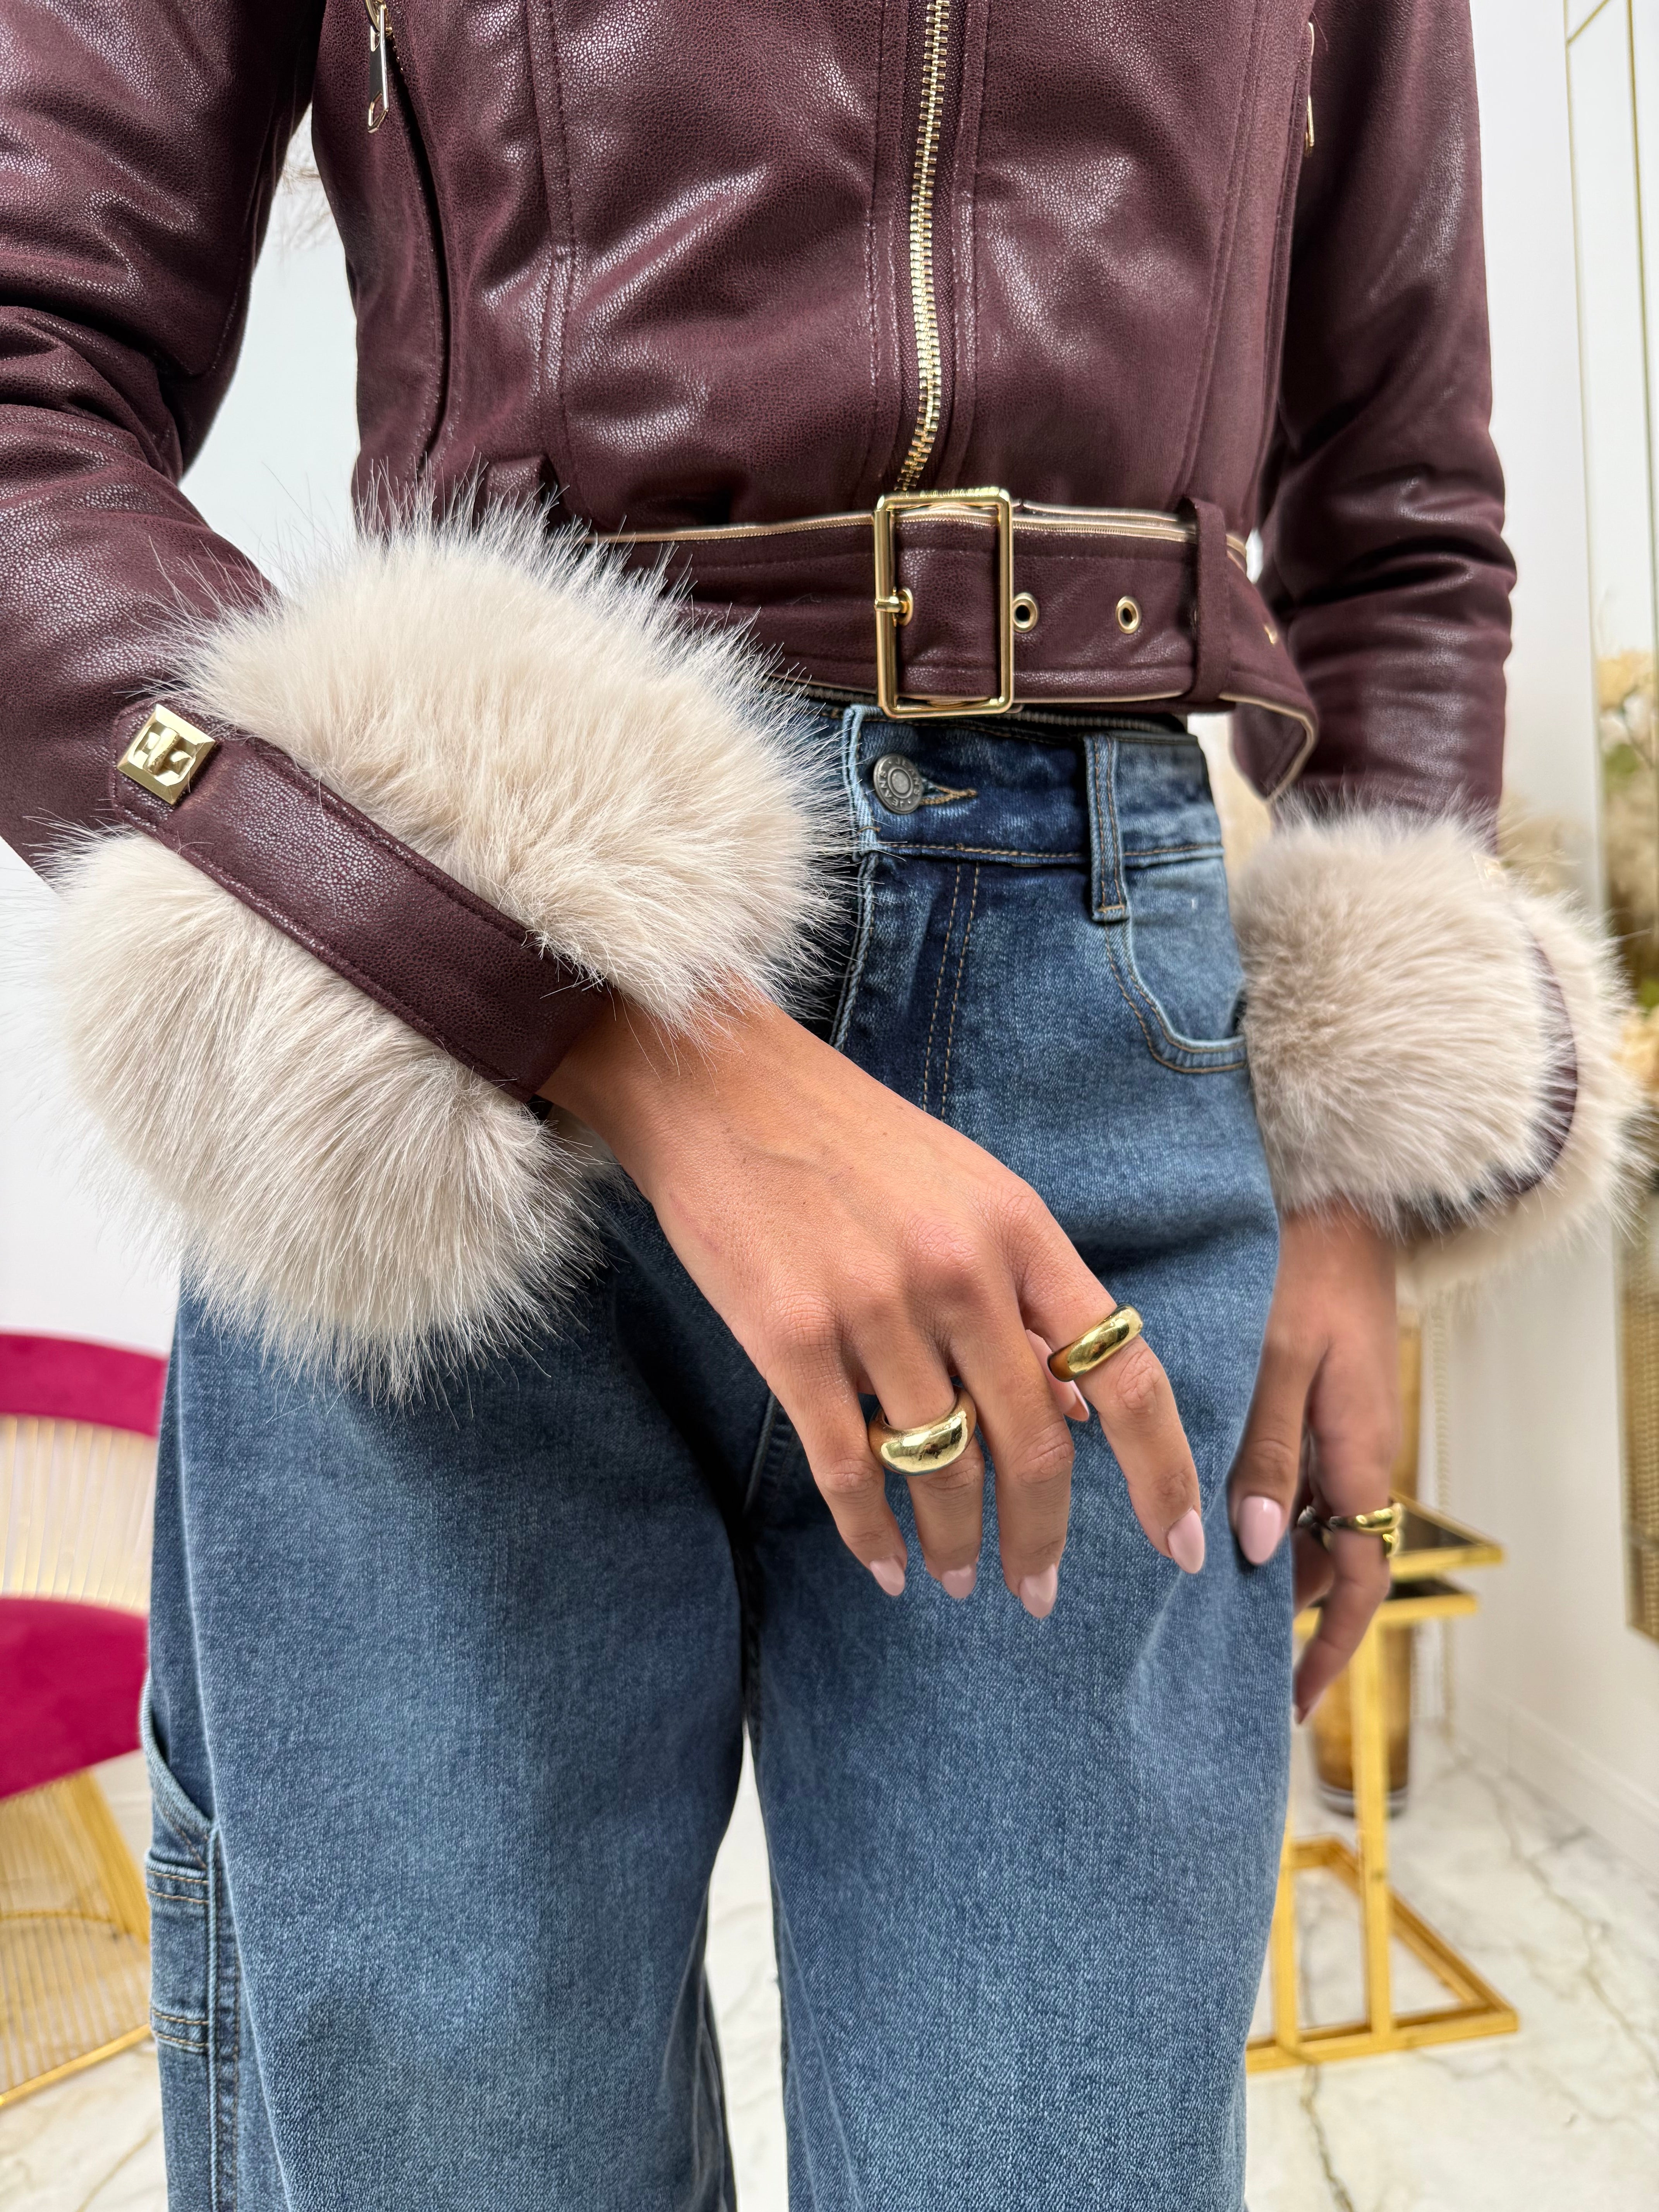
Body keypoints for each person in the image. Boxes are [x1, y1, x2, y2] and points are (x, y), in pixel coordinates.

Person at [0, 3, 1629, 2205]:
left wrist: (1357, 1184)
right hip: (450, 1079)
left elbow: (1408, 513)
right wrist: (604, 1013)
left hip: (1107, 1056)